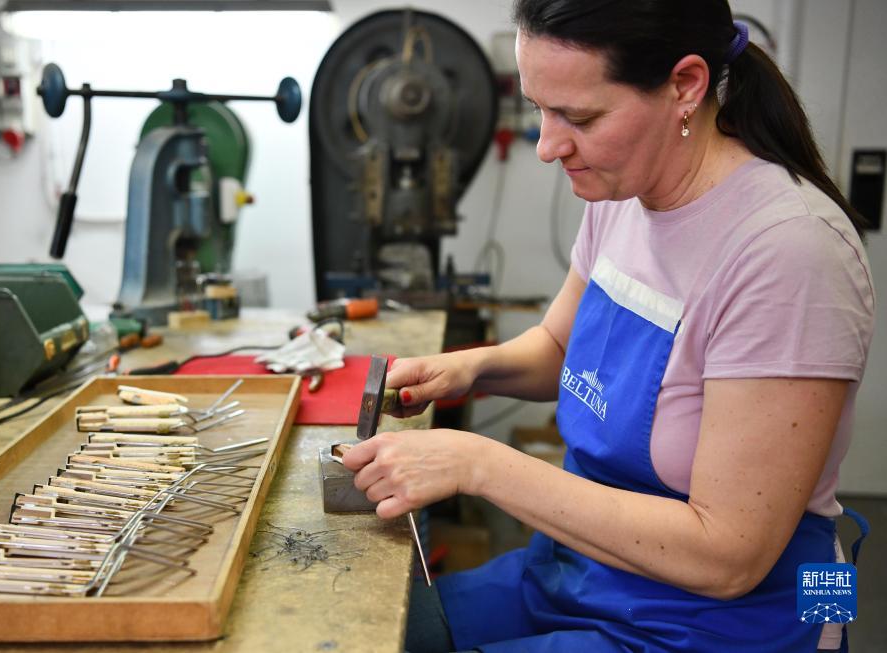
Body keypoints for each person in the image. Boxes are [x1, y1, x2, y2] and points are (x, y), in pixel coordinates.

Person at [340, 1, 875, 652]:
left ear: (685, 86)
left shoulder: (789, 252)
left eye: (580, 117)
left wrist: (477, 464)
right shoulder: (625, 189)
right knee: (380, 631)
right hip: (583, 571)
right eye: (539, 109)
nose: (548, 146)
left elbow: (729, 555)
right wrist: (471, 368)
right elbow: (560, 347)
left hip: (728, 619)